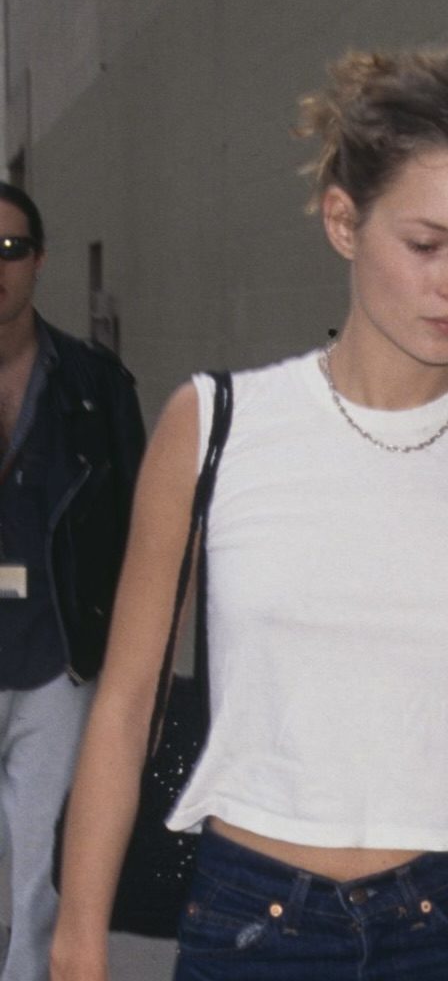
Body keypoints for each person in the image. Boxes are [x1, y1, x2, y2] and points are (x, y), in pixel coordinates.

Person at [50, 48, 448, 981]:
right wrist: (76, 942)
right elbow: (126, 705)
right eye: (426, 245)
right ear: (344, 221)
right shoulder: (214, 427)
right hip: (255, 925)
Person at [0, 182, 144, 981]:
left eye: (10, 249)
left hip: (57, 664)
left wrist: (132, 671)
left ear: (40, 260)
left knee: (41, 883)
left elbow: (140, 536)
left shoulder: (95, 385)